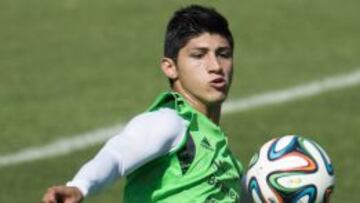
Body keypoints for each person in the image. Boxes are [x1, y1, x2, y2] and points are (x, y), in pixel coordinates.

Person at [42, 4, 243, 203]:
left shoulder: (231, 165)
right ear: (170, 67)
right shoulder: (171, 122)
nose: (215, 66)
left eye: (223, 54)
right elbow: (117, 155)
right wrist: (80, 186)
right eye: (199, 55)